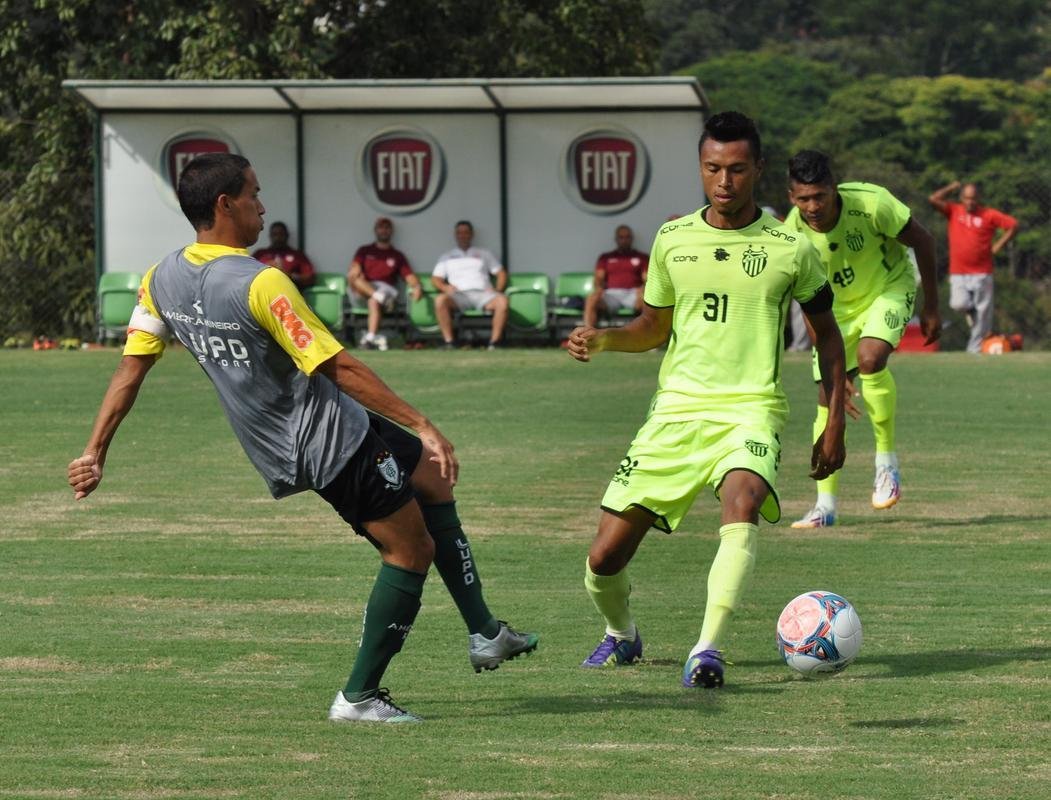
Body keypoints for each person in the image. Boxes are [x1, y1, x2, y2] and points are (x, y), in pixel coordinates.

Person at [67, 153, 537, 724]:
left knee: (431, 479)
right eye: (254, 194)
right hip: (325, 438)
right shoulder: (262, 282)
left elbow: (130, 369)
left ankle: (485, 632)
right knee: (411, 550)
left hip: (313, 427)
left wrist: (94, 451)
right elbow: (336, 366)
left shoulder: (159, 278)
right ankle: (360, 697)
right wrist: (423, 423)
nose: (262, 206)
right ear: (224, 205)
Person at [566, 112, 847, 689]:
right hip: (675, 411)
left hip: (751, 408)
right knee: (602, 560)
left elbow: (829, 336)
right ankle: (622, 635)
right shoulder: (672, 239)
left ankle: (706, 649)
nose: (725, 181)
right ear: (701, 168)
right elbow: (652, 327)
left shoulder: (791, 247)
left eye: (738, 169)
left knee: (740, 502)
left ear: (758, 170)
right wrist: (606, 338)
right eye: (713, 168)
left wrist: (834, 419)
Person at [784, 149, 940, 529]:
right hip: (836, 311)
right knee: (826, 396)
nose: (813, 206)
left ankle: (886, 465)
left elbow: (924, 240)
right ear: (791, 197)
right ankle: (825, 506)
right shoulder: (790, 233)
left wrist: (932, 307)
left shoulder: (872, 204)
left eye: (820, 196)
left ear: (833, 188)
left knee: (870, 359)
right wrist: (836, 367)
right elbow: (806, 299)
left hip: (888, 287)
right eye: (803, 199)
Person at [928, 181, 1018, 353]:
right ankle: (970, 311)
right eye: (967, 198)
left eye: (974, 198)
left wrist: (998, 246)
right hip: (958, 271)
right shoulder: (954, 211)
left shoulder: (989, 214)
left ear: (979, 199)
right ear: (962, 198)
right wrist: (950, 188)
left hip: (982, 272)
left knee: (983, 315)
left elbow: (1013, 225)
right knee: (958, 303)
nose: (970, 202)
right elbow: (933, 199)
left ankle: (974, 350)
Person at [348, 217, 424, 351]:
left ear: (391, 231)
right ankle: (379, 298)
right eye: (381, 227)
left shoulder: (397, 255)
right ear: (375, 230)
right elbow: (355, 268)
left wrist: (417, 286)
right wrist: (355, 270)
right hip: (365, 290)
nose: (384, 230)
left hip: (386, 289)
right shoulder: (364, 250)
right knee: (354, 278)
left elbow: (409, 276)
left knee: (374, 301)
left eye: (387, 227)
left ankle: (370, 339)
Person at [432, 221, 509, 350]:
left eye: (466, 232)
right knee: (440, 301)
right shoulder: (447, 256)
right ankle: (449, 342)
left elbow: (501, 273)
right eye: (459, 232)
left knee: (503, 301)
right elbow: (435, 278)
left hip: (483, 294)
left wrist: (498, 289)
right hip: (458, 295)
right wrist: (445, 287)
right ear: (455, 235)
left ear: (471, 234)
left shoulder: (484, 253)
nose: (463, 235)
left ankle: (494, 343)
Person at [583, 225, 648, 328]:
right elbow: (598, 278)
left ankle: (648, 338)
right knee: (592, 298)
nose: (624, 240)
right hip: (611, 294)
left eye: (627, 237)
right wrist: (599, 289)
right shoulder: (605, 257)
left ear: (632, 238)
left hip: (633, 293)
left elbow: (647, 279)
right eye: (621, 237)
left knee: (648, 300)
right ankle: (587, 335)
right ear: (616, 239)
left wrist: (643, 290)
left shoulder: (642, 257)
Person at [251, 220, 316, 289]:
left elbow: (310, 279)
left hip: (288, 293)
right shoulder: (260, 254)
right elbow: (246, 274)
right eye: (275, 234)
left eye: (281, 234)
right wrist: (264, 268)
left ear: (287, 235)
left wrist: (288, 275)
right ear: (270, 236)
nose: (278, 238)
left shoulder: (297, 255)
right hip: (263, 293)